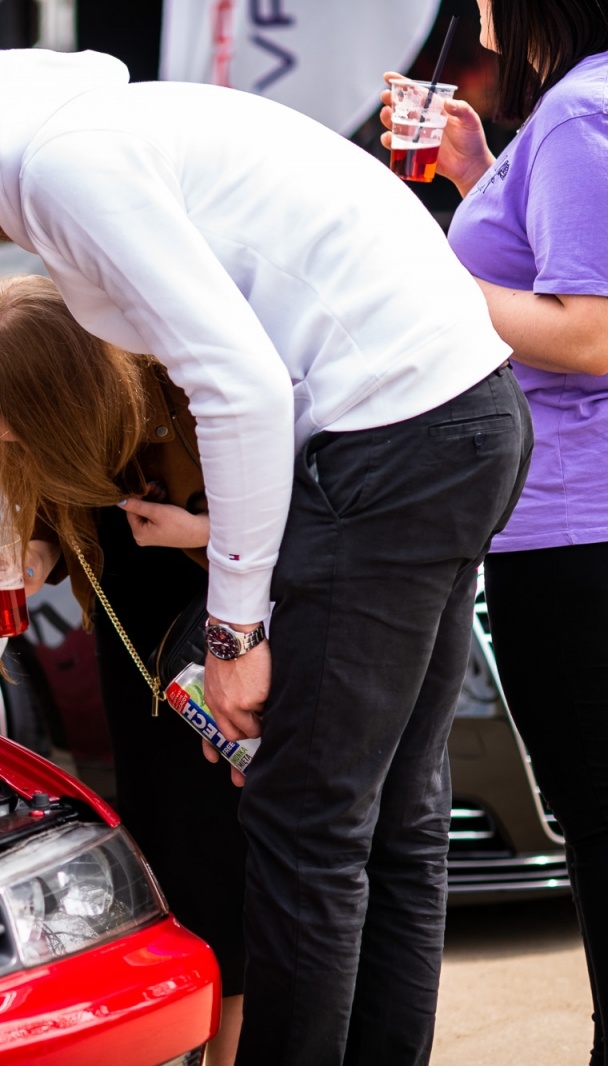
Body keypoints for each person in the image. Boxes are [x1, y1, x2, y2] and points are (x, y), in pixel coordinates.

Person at [0, 54, 532, 1065]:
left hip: (393, 435)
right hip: (457, 417)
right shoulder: (95, 136)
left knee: (306, 825)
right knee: (390, 817)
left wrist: (236, 630)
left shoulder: (68, 162)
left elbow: (240, 386)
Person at [379, 2, 608, 1060]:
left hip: (571, 533)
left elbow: (590, 335)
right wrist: (480, 177)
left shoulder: (577, 112)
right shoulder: (569, 113)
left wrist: (420, 274)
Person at [0, 273, 244, 1065]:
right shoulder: (57, 433)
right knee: (181, 884)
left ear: (48, 390)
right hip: (133, 668)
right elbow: (59, 530)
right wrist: (32, 552)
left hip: (218, 657)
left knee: (233, 904)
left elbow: (289, 543)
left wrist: (193, 533)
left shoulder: (178, 405)